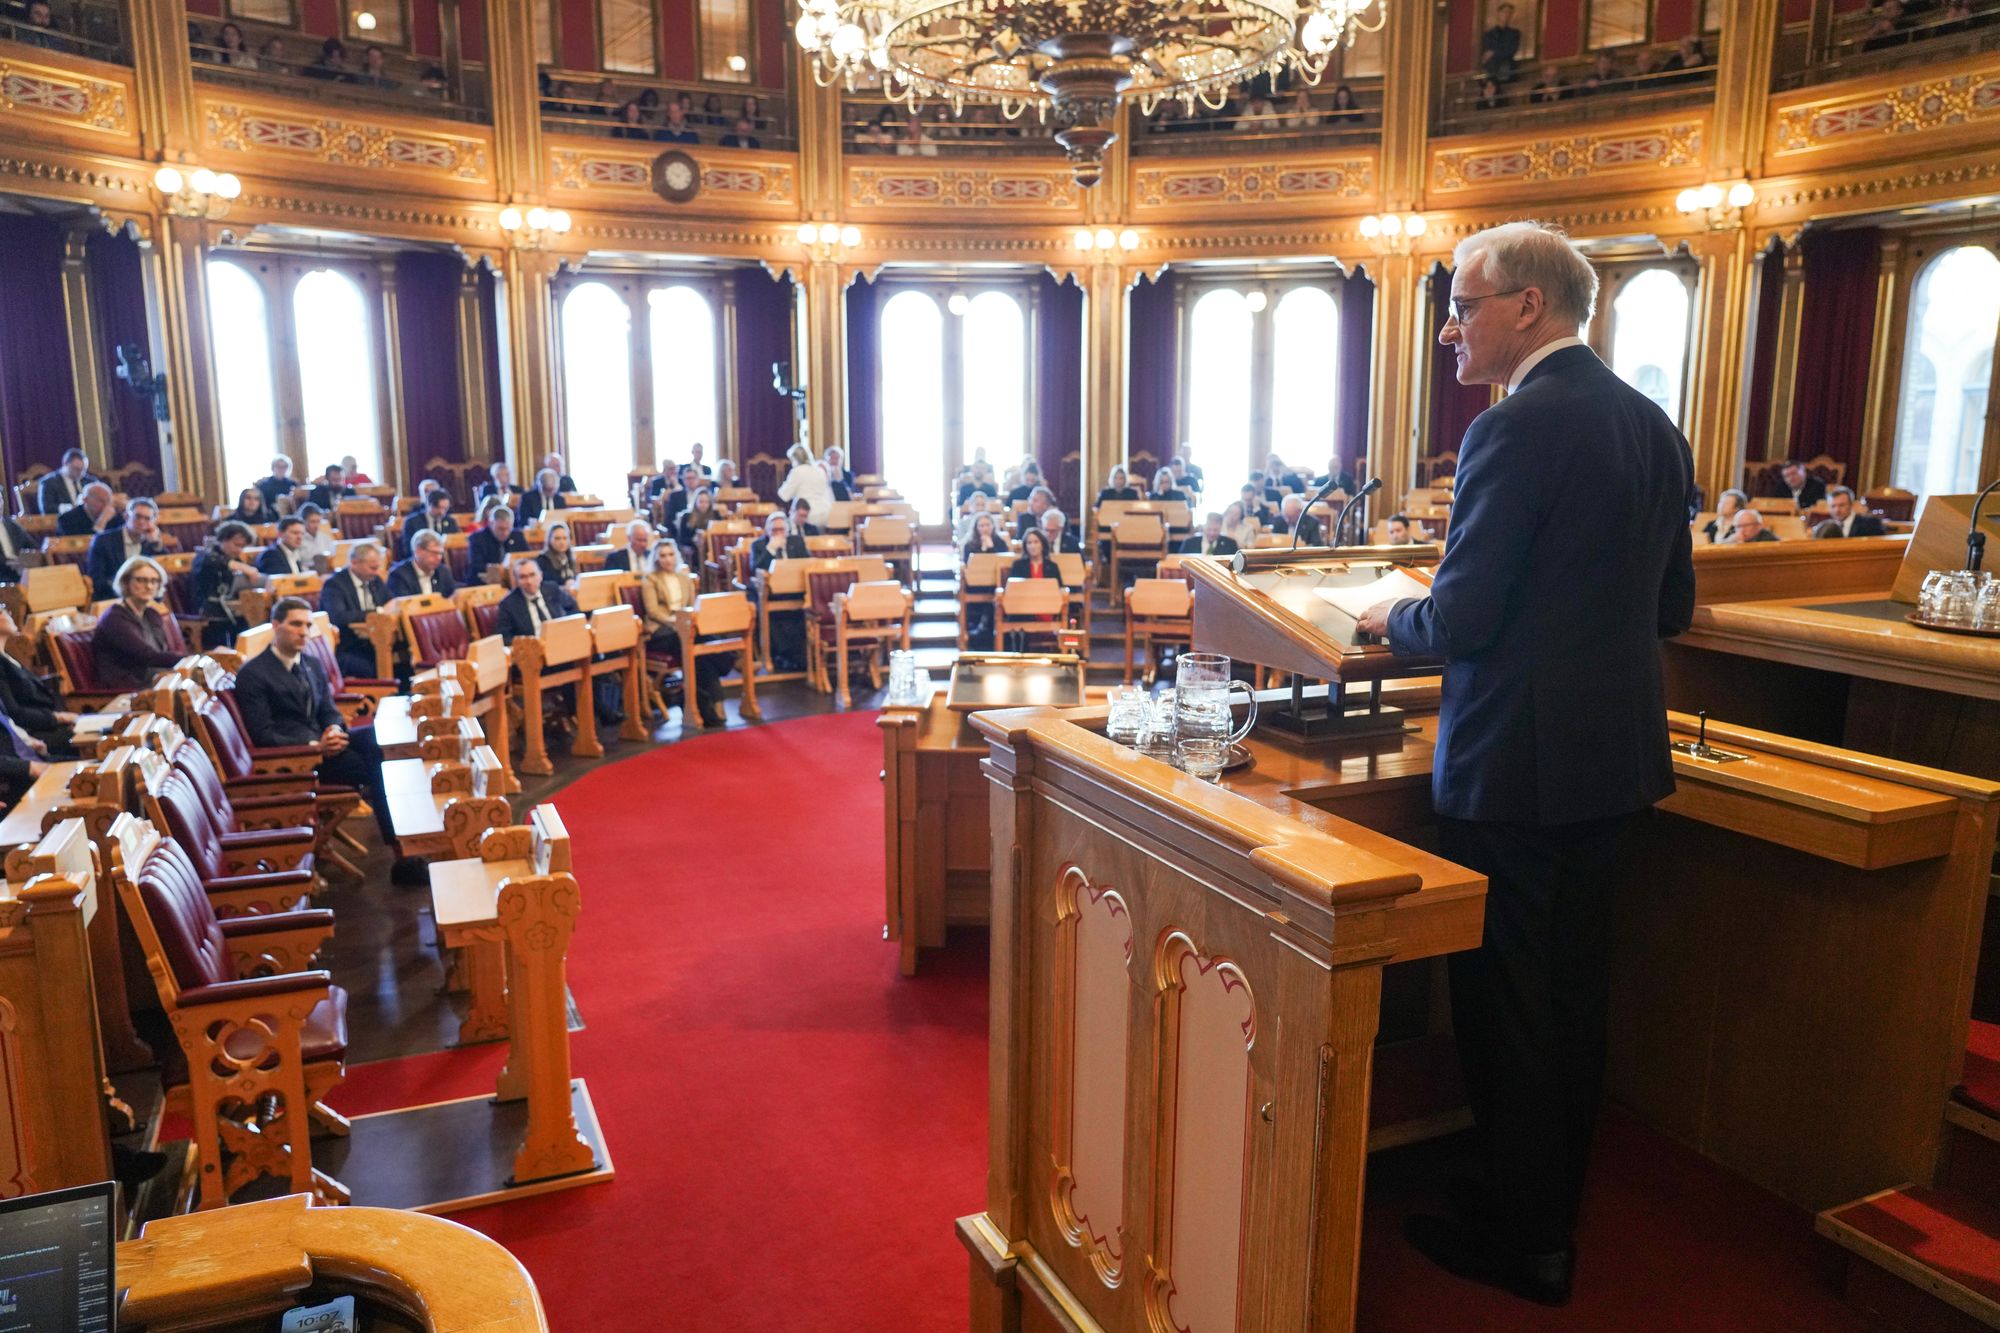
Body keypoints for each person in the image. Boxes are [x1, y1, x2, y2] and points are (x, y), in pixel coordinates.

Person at [1355, 220, 1695, 1307]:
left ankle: (1523, 1238)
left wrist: (1383, 612)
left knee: (1506, 1002)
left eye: (1462, 302)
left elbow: (1459, 617)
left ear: (1528, 307)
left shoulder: (1515, 429)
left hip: (1516, 767)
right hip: (1611, 761)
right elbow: (1671, 607)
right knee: (1571, 996)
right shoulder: (1648, 422)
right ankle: (1537, 1194)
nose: (1449, 325)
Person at [233, 597, 407, 859]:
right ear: (276, 625)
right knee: (378, 765)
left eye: (308, 625)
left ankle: (402, 842)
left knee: (378, 740)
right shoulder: (253, 674)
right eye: (295, 624)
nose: (303, 632)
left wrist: (334, 730)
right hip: (299, 759)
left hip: (327, 744)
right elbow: (263, 734)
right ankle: (399, 847)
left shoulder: (311, 663)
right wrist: (316, 745)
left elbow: (329, 710)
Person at [639, 545, 725, 727]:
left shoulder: (685, 579)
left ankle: (706, 706)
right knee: (702, 648)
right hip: (661, 632)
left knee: (700, 655)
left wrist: (685, 623)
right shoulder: (650, 580)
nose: (667, 559)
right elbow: (653, 612)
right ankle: (726, 663)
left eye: (670, 555)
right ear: (656, 559)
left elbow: (692, 607)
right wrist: (677, 622)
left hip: (684, 629)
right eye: (662, 556)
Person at [92, 557, 185, 690]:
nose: (149, 586)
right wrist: (198, 657)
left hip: (154, 680)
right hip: (127, 687)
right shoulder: (114, 618)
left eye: (154, 581)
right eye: (141, 580)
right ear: (126, 582)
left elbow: (162, 652)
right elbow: (147, 656)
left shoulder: (151, 614)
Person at [0, 605, 77, 755]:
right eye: (2, 611)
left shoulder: (7, 656)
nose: (9, 614)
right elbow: (15, 713)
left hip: (45, 725)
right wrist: (58, 718)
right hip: (30, 734)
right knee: (97, 737)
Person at [322, 541, 390, 679]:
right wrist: (375, 613)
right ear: (354, 562)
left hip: (372, 642)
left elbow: (390, 604)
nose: (376, 572)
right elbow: (338, 617)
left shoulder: (375, 580)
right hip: (347, 646)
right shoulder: (335, 584)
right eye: (372, 567)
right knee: (375, 666)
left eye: (377, 567)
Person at [192, 521, 259, 645]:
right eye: (236, 545)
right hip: (208, 611)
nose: (239, 550)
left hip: (228, 607)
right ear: (223, 539)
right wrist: (243, 568)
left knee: (252, 621)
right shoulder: (205, 555)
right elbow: (216, 562)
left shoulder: (235, 558)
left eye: (243, 547)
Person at [87, 499, 169, 600]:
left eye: (147, 519)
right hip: (113, 598)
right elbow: (98, 580)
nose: (141, 522)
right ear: (126, 516)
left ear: (154, 521)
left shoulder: (152, 544)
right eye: (137, 517)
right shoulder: (103, 541)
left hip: (147, 600)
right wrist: (131, 591)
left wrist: (156, 545)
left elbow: (162, 579)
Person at [495, 555, 578, 644]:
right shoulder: (508, 604)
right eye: (523, 577)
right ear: (516, 581)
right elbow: (505, 637)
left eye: (532, 575)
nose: (529, 581)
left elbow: (574, 610)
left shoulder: (552, 589)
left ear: (540, 575)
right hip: (533, 650)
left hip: (561, 641)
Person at [387, 528, 458, 598]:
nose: (439, 558)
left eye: (440, 553)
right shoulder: (399, 575)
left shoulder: (443, 572)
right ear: (418, 551)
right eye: (434, 553)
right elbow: (405, 605)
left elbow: (452, 597)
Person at [468, 506, 527, 583]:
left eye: (508, 529)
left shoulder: (518, 536)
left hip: (515, 578)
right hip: (484, 581)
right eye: (501, 529)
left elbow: (527, 557)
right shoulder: (477, 538)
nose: (505, 533)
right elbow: (476, 565)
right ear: (491, 523)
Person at [777, 444, 834, 521]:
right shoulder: (820, 471)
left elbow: (784, 495)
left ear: (795, 459)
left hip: (806, 514)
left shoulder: (797, 471)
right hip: (826, 513)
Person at [1813, 486, 1887, 538]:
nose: (1837, 510)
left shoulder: (1870, 524)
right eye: (1833, 506)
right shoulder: (1824, 527)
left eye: (1841, 505)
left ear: (1851, 505)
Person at [39, 448, 95, 514]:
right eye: (76, 469)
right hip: (62, 520)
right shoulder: (48, 483)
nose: (81, 473)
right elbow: (47, 508)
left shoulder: (90, 482)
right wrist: (72, 508)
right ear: (65, 464)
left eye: (84, 470)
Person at [404, 488, 457, 552]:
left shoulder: (450, 522)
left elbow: (455, 545)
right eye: (438, 508)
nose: (442, 512)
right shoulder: (412, 522)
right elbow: (408, 548)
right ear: (428, 504)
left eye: (445, 508)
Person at [1482, 2, 1522, 82]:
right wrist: (1501, 49)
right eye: (1505, 12)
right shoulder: (1489, 34)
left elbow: (1511, 51)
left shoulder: (1515, 33)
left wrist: (1494, 52)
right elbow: (1486, 53)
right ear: (1498, 13)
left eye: (1510, 12)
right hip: (1492, 68)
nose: (1507, 15)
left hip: (1507, 67)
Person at [535, 521, 579, 588]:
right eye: (557, 538)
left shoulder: (569, 558)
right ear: (549, 540)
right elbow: (544, 585)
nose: (562, 542)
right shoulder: (542, 560)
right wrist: (565, 584)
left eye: (565, 538)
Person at [678, 485, 720, 552]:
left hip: (711, 547)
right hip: (694, 549)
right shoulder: (686, 516)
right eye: (701, 502)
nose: (704, 505)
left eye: (707, 502)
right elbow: (682, 539)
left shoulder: (715, 514)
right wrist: (693, 539)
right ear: (695, 502)